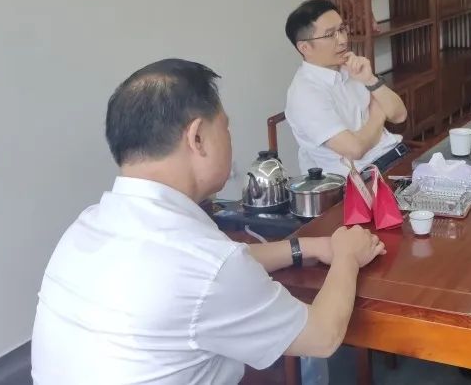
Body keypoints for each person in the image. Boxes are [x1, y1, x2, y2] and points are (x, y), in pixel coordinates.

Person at [32, 59, 386, 385]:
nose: (230, 139)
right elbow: (322, 337)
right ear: (197, 138)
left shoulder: (87, 226)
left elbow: (217, 264)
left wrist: (306, 247)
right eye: (225, 128)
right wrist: (346, 255)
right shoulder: (207, 264)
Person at [285, 0, 409, 176]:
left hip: (396, 156)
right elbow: (355, 150)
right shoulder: (305, 94)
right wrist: (377, 114)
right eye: (330, 35)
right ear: (305, 48)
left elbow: (399, 115)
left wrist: (371, 80)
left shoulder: (350, 67)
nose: (343, 40)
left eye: (342, 29)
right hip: (363, 178)